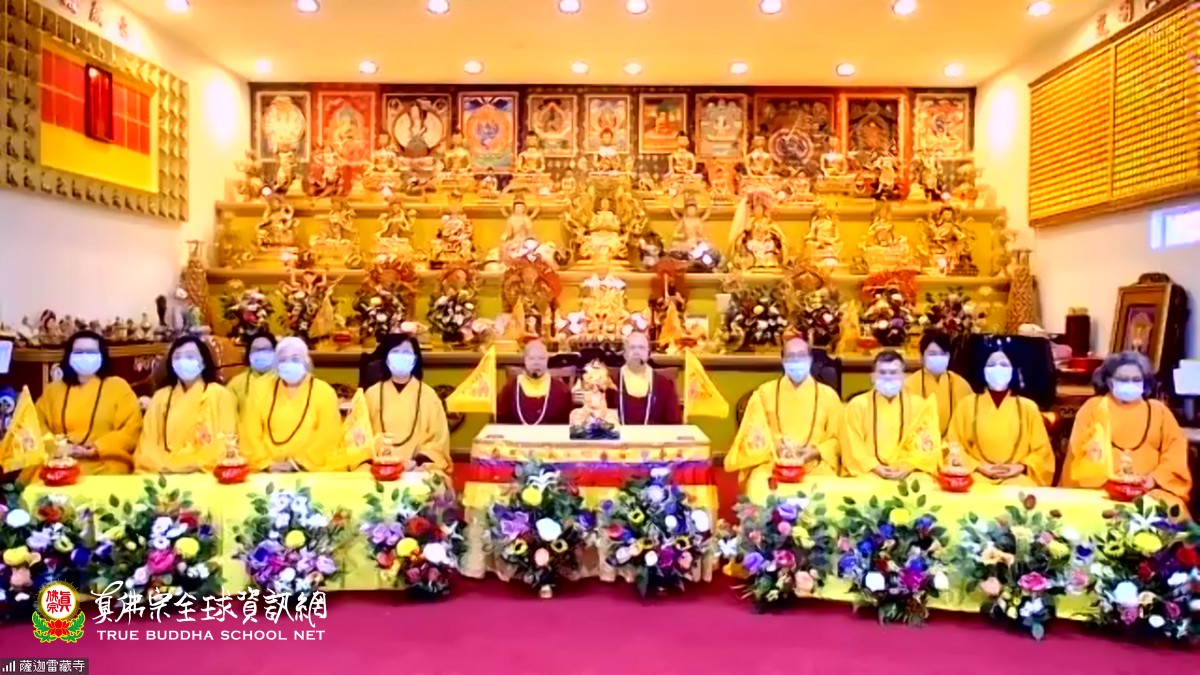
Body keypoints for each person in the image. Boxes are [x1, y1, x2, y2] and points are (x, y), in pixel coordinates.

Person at [1063, 351, 1191, 510]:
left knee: (1171, 510)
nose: (1130, 383)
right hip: (1100, 489)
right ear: (1109, 381)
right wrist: (1110, 481)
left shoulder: (1159, 411)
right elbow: (1079, 451)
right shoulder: (1093, 408)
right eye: (1123, 379)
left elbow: (1175, 451)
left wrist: (1155, 479)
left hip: (1151, 491)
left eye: (1136, 380)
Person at [724, 335, 843, 484]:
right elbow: (752, 435)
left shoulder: (829, 396)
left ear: (810, 359)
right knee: (759, 485)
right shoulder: (764, 393)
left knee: (827, 488)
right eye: (791, 356)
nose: (796, 361)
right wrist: (774, 447)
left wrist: (816, 451)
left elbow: (838, 440)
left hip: (815, 464)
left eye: (801, 355)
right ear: (783, 360)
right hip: (772, 461)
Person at [35, 330, 142, 474]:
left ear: (102, 356)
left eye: (91, 352)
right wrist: (57, 447)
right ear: (69, 356)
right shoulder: (53, 390)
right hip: (59, 461)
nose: (85, 356)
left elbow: (131, 429)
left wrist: (98, 447)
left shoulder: (118, 387)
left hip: (105, 461)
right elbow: (37, 426)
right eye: (78, 352)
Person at [946, 345, 1054, 486]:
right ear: (984, 371)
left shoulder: (1028, 407)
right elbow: (953, 445)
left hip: (1018, 478)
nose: (998, 368)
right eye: (992, 365)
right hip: (976, 476)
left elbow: (1043, 452)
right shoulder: (966, 405)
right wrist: (977, 466)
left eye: (1003, 365)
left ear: (1012, 371)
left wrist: (1020, 467)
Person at [135, 336, 237, 474]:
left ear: (204, 362)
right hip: (165, 473)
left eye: (190, 356)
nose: (182, 362)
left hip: (205, 473)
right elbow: (147, 445)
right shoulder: (160, 397)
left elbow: (228, 443)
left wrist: (196, 464)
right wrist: (164, 467)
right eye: (177, 357)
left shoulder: (220, 395)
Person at [240, 337, 344, 472]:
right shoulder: (260, 390)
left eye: (295, 359)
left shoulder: (324, 392)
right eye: (283, 360)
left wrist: (299, 464)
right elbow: (250, 434)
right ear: (276, 364)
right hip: (267, 471)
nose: (289, 364)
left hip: (310, 471)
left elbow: (328, 436)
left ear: (306, 362)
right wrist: (267, 465)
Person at [841, 350, 940, 481]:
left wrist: (908, 466)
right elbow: (852, 445)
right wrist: (875, 467)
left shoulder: (918, 405)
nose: (888, 377)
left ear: (903, 376)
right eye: (882, 372)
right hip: (869, 472)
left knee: (924, 483)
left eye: (893, 373)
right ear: (872, 377)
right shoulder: (857, 405)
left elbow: (927, 445)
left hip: (909, 471)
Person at [363, 334, 451, 472]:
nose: (401, 357)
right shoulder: (371, 394)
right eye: (395, 352)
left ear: (415, 358)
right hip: (377, 465)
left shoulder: (428, 396)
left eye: (406, 353)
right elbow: (360, 435)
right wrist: (375, 458)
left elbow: (438, 440)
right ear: (386, 358)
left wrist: (418, 462)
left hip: (418, 468)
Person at [904, 331, 971, 438]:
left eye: (942, 354)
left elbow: (970, 421)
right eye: (932, 354)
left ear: (949, 356)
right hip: (919, 444)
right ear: (922, 356)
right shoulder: (909, 385)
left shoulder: (961, 384)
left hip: (954, 444)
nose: (938, 357)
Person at [608, 331, 681, 425]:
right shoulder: (611, 382)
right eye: (632, 347)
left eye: (641, 348)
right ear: (624, 353)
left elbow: (674, 424)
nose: (636, 352)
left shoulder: (663, 384)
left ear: (649, 353)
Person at [496, 339, 572, 425]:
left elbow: (566, 424)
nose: (536, 363)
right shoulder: (510, 389)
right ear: (525, 361)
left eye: (541, 358)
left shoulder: (561, 391)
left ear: (547, 360)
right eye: (532, 358)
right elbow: (501, 421)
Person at [227, 331, 277, 413]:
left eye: (266, 349)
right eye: (256, 350)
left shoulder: (284, 381)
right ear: (248, 354)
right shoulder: (236, 383)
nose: (261, 354)